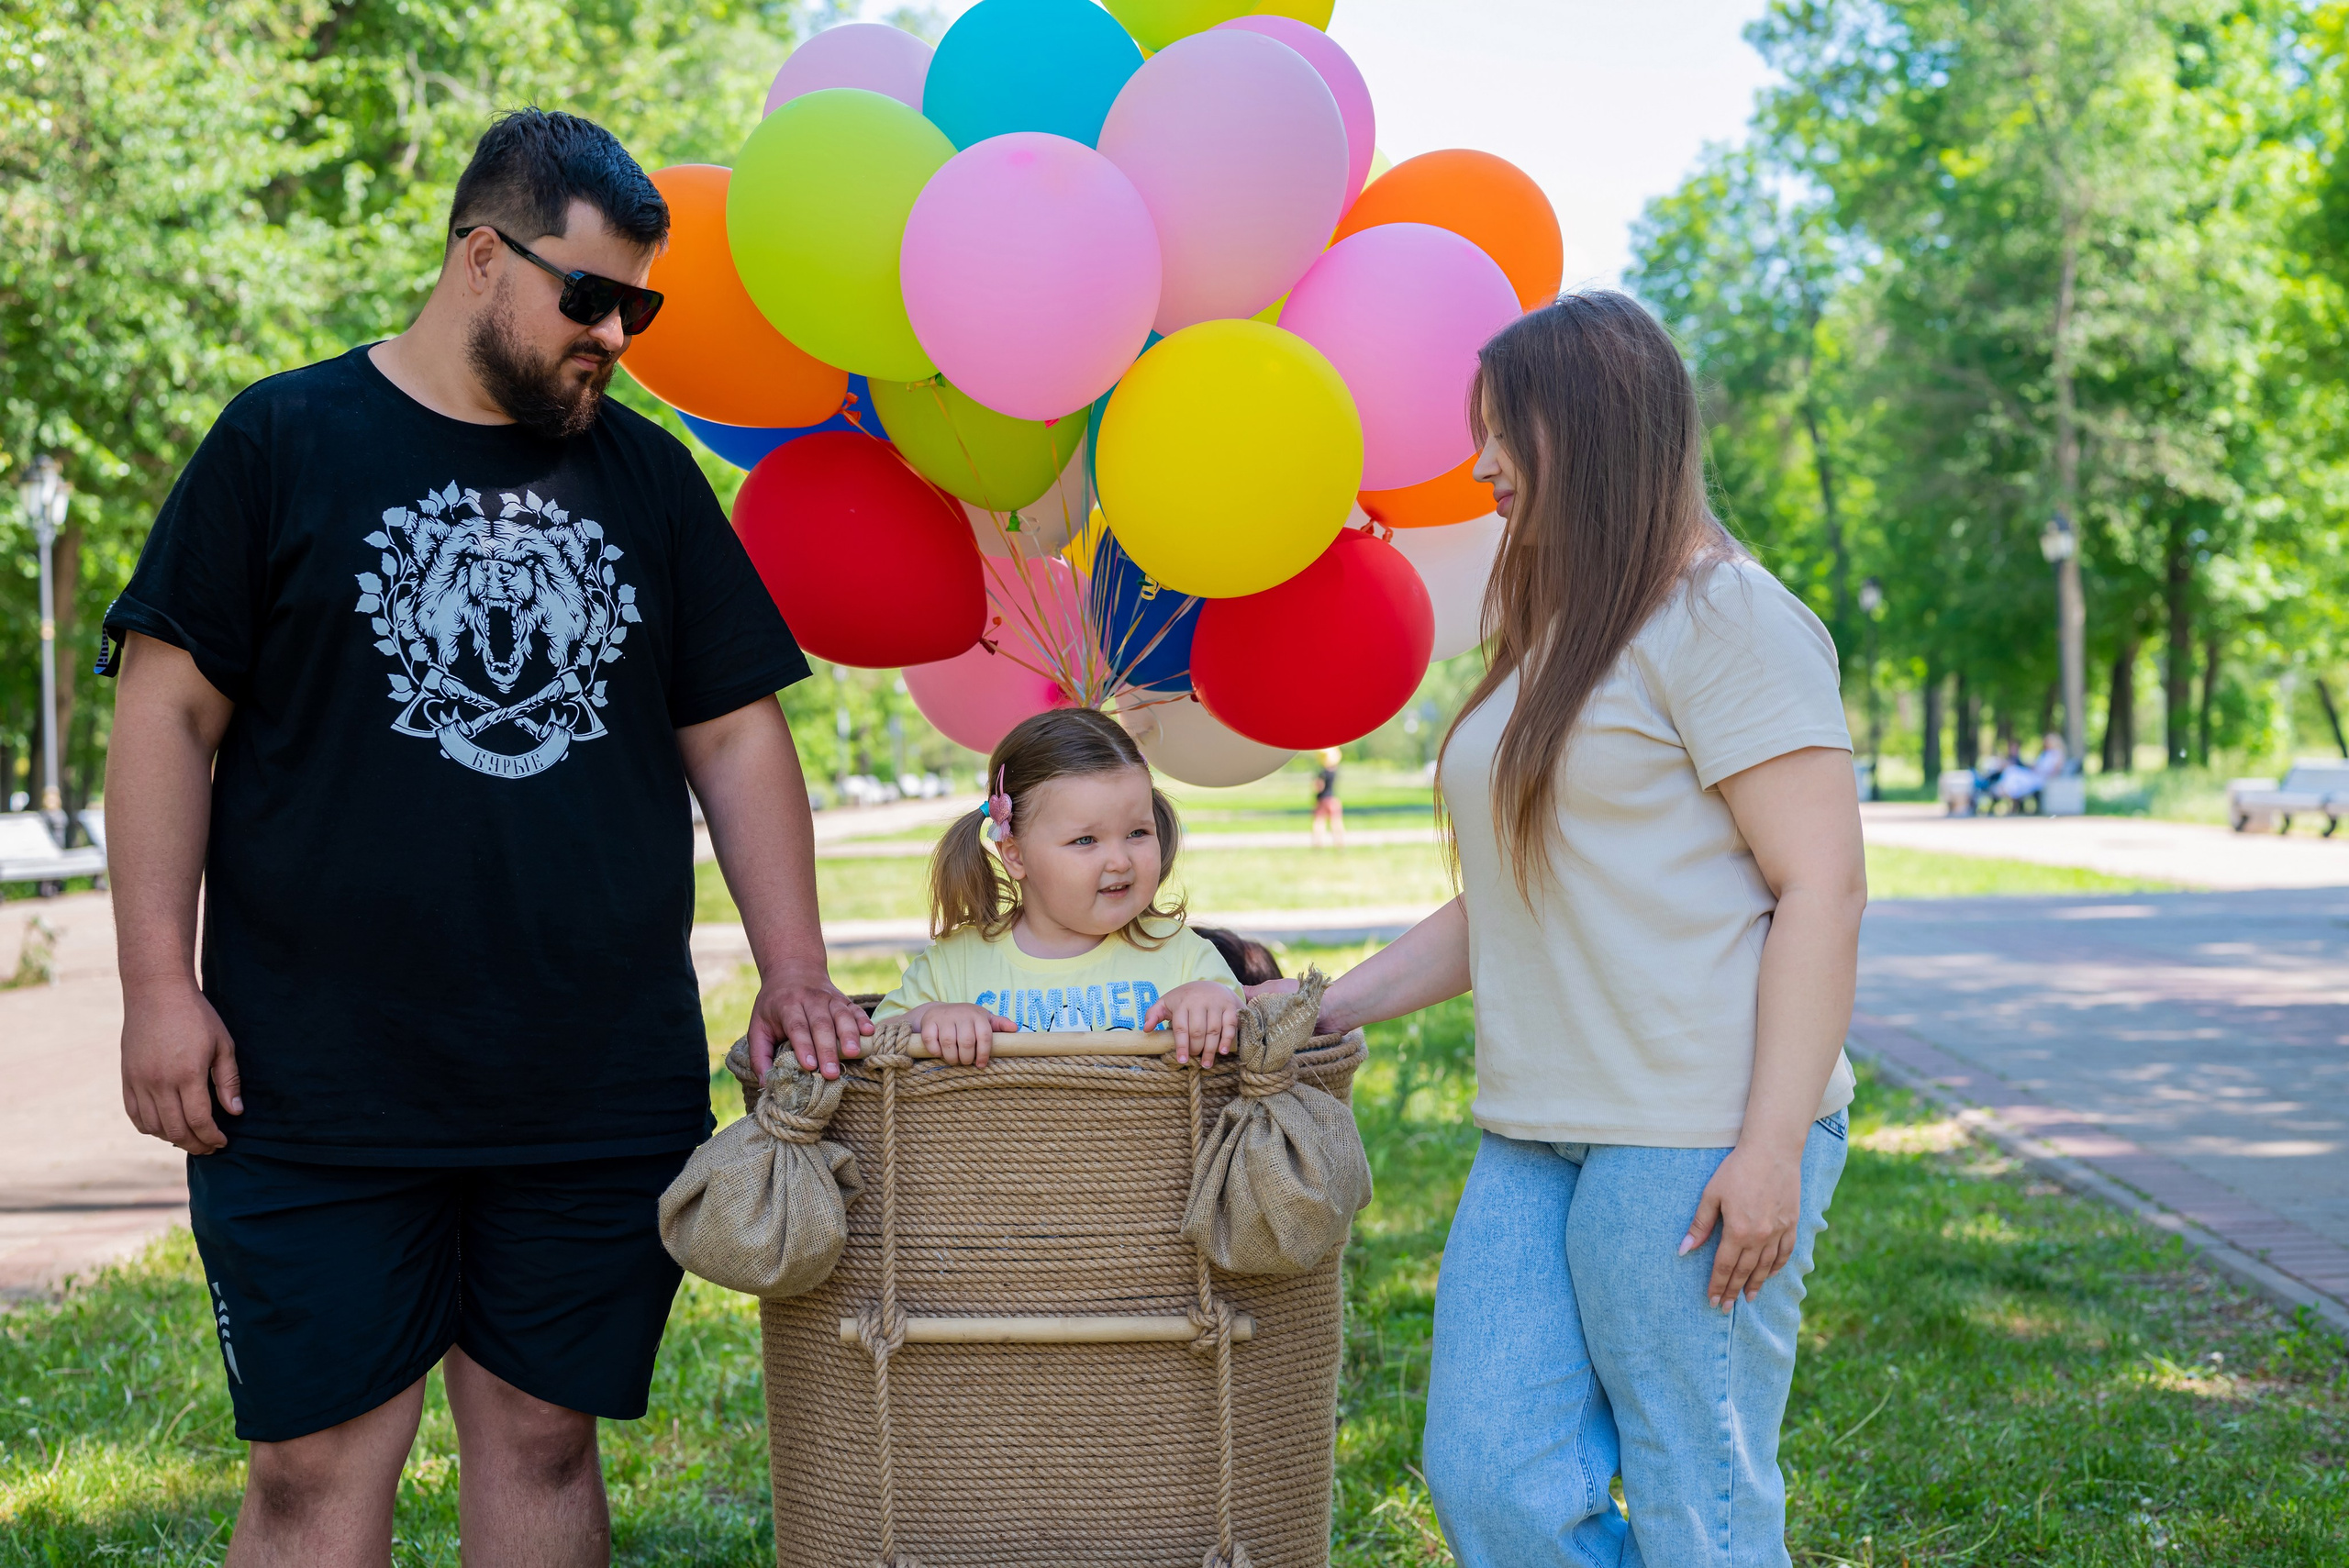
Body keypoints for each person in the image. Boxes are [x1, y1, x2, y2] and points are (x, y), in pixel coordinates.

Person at [99, 109, 872, 1568]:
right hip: (314, 1074)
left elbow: (735, 732)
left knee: (540, 1435)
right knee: (315, 1465)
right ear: (479, 258)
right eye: (589, 296)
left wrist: (796, 972)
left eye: (640, 308)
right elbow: (168, 713)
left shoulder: (646, 482)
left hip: (589, 1068)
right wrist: (157, 982)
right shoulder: (283, 440)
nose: (617, 336)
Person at [1306, 294, 1865, 1567]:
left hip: (1695, 1127)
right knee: (1491, 1477)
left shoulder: (1728, 618)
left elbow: (1822, 888)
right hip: (1538, 1127)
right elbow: (1512, 896)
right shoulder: (1563, 628)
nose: (1481, 463)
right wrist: (1328, 1006)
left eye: (1503, 431)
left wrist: (1772, 1147)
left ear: (1593, 430)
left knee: (1694, 1495)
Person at [872, 707, 1242, 1067]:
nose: (1120, 861)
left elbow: (1249, 1027)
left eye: (1137, 833)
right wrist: (928, 1019)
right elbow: (873, 1042)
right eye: (1085, 840)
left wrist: (1216, 1001)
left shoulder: (1182, 954)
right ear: (1015, 856)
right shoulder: (954, 966)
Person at [1309, 746, 1345, 847]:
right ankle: (1340, 843)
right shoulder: (1334, 771)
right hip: (1333, 798)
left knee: (1319, 822)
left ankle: (1317, 844)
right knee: (1336, 822)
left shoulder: (1322, 773)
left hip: (1323, 799)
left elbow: (1319, 787)